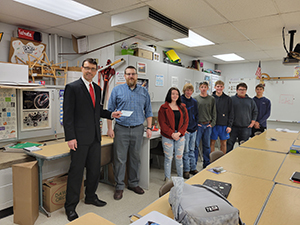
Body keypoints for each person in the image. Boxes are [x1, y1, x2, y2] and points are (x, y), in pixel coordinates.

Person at [63, 58, 121, 221]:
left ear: (96, 71)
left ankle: (90, 196)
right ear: (82, 69)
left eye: (93, 69)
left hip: (95, 137)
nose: (89, 71)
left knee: (95, 170)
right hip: (79, 139)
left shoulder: (97, 88)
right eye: (87, 68)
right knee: (76, 173)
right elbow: (67, 116)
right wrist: (70, 137)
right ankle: (70, 207)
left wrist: (110, 114)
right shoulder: (72, 88)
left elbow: (97, 111)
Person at [107, 65, 153, 200]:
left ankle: (133, 184)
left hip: (138, 129)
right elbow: (109, 111)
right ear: (125, 76)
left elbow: (148, 111)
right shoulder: (117, 90)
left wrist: (149, 128)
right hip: (121, 129)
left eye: (133, 74)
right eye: (128, 74)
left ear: (137, 76)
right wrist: (110, 128)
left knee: (135, 158)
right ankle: (119, 186)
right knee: (120, 159)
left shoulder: (144, 92)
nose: (131, 76)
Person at [158, 87, 189, 181]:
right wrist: (172, 134)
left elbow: (186, 122)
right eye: (173, 94)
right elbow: (162, 123)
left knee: (179, 158)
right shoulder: (163, 108)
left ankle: (180, 178)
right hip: (168, 136)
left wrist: (179, 133)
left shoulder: (183, 107)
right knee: (168, 158)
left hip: (180, 136)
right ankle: (167, 178)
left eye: (177, 94)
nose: (175, 96)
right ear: (169, 95)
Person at [227, 82, 258, 152]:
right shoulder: (231, 99)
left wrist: (253, 122)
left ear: (246, 90)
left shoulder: (250, 101)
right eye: (240, 89)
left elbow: (255, 112)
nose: (242, 91)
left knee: (244, 147)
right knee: (229, 145)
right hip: (233, 127)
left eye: (244, 89)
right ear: (237, 90)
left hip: (245, 127)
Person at [194, 81, 216, 169]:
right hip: (198, 125)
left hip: (207, 125)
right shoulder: (195, 99)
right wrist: (196, 124)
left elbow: (214, 112)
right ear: (199, 88)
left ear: (207, 88)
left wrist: (212, 124)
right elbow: (193, 113)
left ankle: (206, 163)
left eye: (205, 87)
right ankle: (194, 165)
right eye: (202, 87)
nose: (203, 88)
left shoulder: (211, 99)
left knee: (207, 146)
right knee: (195, 146)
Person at [180, 83, 198, 179]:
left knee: (192, 149)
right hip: (185, 131)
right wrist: (183, 129)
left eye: (190, 90)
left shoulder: (194, 101)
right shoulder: (180, 101)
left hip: (193, 129)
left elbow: (196, 114)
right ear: (184, 91)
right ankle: (186, 170)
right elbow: (180, 117)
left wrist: (196, 126)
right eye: (187, 90)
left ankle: (193, 168)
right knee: (186, 151)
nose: (189, 92)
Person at [211, 80, 234, 154]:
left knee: (223, 143)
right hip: (213, 125)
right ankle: (212, 160)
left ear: (223, 87)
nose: (219, 88)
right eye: (218, 86)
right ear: (215, 87)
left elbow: (231, 113)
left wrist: (229, 126)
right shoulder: (211, 98)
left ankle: (222, 158)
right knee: (212, 143)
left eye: (221, 86)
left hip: (224, 125)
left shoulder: (228, 99)